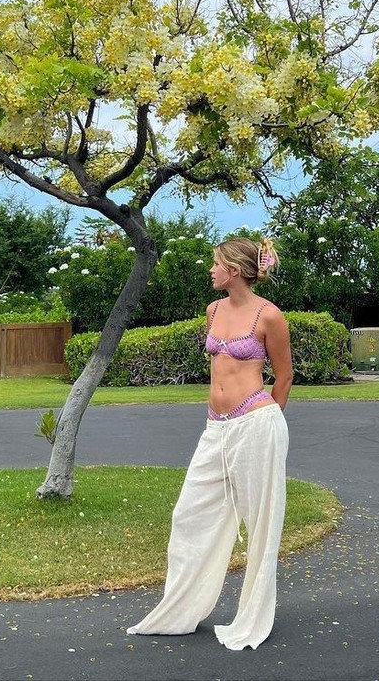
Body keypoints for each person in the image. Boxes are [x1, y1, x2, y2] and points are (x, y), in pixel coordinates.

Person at [126, 235, 293, 651]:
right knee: (189, 515)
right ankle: (179, 612)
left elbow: (285, 376)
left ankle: (252, 616)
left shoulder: (269, 316)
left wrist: (266, 422)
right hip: (215, 427)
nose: (211, 270)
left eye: (216, 264)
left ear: (234, 271)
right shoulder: (213, 310)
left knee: (261, 524)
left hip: (256, 423)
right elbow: (218, 369)